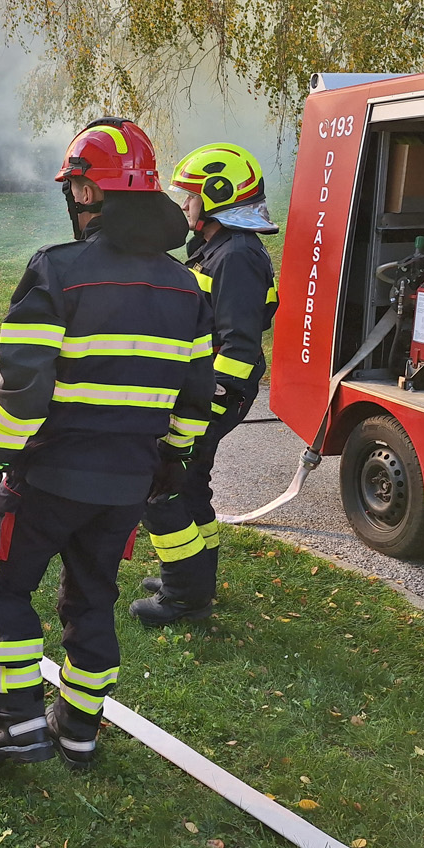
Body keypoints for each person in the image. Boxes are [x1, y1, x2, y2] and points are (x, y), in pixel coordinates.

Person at [0, 118, 214, 767]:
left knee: (1, 585)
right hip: (126, 485)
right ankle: (78, 729)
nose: (72, 201)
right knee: (92, 599)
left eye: (76, 188)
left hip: (46, 479)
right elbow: (195, 397)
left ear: (89, 194)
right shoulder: (187, 288)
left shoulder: (57, 270)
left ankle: (17, 721)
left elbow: (24, 392)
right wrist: (173, 457)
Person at [132, 143, 279, 625]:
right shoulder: (218, 247)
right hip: (206, 390)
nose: (183, 205)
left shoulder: (235, 255)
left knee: (162, 486)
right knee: (192, 483)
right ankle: (195, 574)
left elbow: (237, 346)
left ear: (218, 196)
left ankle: (184, 597)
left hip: (217, 392)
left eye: (190, 195)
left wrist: (209, 406)